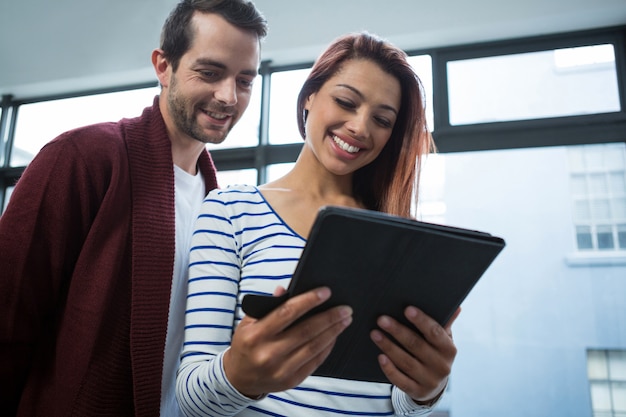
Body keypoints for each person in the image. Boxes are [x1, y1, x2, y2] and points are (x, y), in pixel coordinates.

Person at [0, 1, 267, 416]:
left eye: (245, 80)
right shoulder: (83, 157)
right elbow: (8, 314)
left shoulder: (224, 206)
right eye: (210, 73)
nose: (228, 96)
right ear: (164, 66)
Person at [176, 32, 459, 416]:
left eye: (382, 119)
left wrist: (428, 389)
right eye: (346, 101)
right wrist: (240, 375)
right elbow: (190, 400)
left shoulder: (397, 238)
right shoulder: (231, 210)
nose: (360, 127)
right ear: (309, 96)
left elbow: (400, 404)